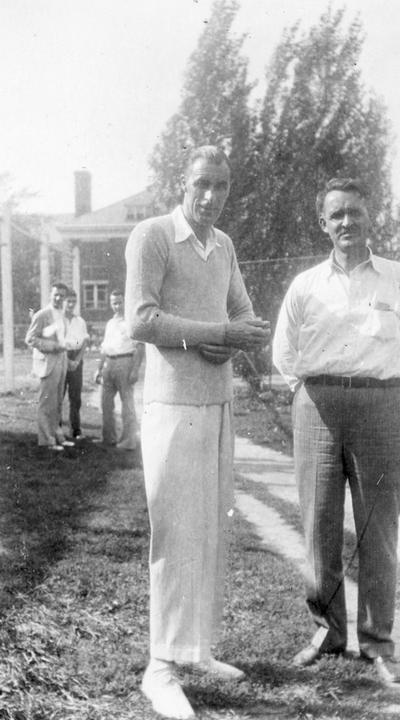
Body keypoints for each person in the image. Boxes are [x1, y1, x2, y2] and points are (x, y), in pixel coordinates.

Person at [125, 145, 269, 719]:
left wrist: (234, 335)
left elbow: (245, 318)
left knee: (209, 529)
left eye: (221, 186)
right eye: (201, 183)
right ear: (181, 182)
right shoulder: (153, 234)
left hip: (217, 401)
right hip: (172, 404)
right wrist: (215, 333)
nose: (210, 196)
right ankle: (159, 669)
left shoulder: (225, 244)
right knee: (175, 531)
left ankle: (196, 649)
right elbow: (142, 319)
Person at [273, 177, 400, 685]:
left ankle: (377, 641)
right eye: (337, 215)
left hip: (381, 406)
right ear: (323, 224)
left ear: (371, 217)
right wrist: (302, 395)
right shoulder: (306, 284)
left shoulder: (394, 278)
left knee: (379, 527)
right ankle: (327, 632)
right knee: (319, 523)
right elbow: (283, 351)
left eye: (355, 212)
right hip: (318, 405)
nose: (347, 222)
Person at [25, 281, 74, 451]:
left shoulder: (62, 314)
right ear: (50, 295)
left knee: (58, 402)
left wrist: (64, 345)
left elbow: (60, 337)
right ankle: (46, 440)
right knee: (46, 403)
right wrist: (53, 347)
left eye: (62, 295)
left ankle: (57, 437)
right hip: (48, 362)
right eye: (56, 295)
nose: (59, 298)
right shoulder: (42, 314)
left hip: (61, 361)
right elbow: (30, 339)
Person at [94, 289, 144, 450]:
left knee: (127, 403)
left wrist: (135, 370)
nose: (116, 306)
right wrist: (98, 368)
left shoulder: (131, 321)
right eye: (113, 303)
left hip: (125, 362)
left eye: (119, 302)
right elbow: (104, 347)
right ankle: (108, 438)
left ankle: (129, 440)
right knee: (106, 404)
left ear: (125, 302)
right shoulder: (110, 323)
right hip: (109, 363)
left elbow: (139, 347)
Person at [62, 289, 90, 439]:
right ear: (64, 302)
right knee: (59, 395)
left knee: (75, 397)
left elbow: (84, 342)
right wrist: (67, 361)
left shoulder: (80, 321)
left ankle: (75, 430)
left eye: (74, 301)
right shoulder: (58, 320)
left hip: (76, 358)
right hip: (62, 357)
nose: (71, 304)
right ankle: (56, 428)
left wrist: (77, 361)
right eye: (69, 301)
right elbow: (57, 343)